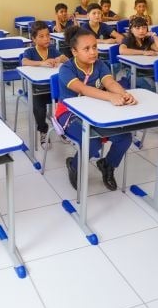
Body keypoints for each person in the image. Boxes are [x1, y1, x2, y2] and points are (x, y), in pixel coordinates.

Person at [56, 26, 135, 191]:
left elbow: (110, 83)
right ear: (74, 51)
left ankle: (107, 164)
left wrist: (124, 94)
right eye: (86, 49)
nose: (93, 52)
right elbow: (83, 89)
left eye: (95, 47)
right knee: (93, 141)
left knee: (125, 137)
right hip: (69, 113)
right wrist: (111, 97)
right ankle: (74, 166)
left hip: (97, 111)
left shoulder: (100, 65)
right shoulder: (66, 69)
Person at [21, 21, 68, 147]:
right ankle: (43, 129)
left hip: (55, 89)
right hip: (38, 90)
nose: (46, 38)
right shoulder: (30, 51)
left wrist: (59, 59)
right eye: (41, 36)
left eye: (47, 35)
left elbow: (65, 59)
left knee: (67, 102)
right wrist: (41, 63)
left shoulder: (52, 50)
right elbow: (24, 62)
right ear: (34, 39)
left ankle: (63, 127)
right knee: (39, 110)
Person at [118, 16, 158, 89]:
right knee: (149, 88)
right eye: (137, 28)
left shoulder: (147, 40)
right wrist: (144, 52)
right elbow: (122, 50)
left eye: (144, 28)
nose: (141, 31)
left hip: (148, 70)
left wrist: (154, 35)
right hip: (133, 71)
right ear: (131, 30)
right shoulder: (128, 39)